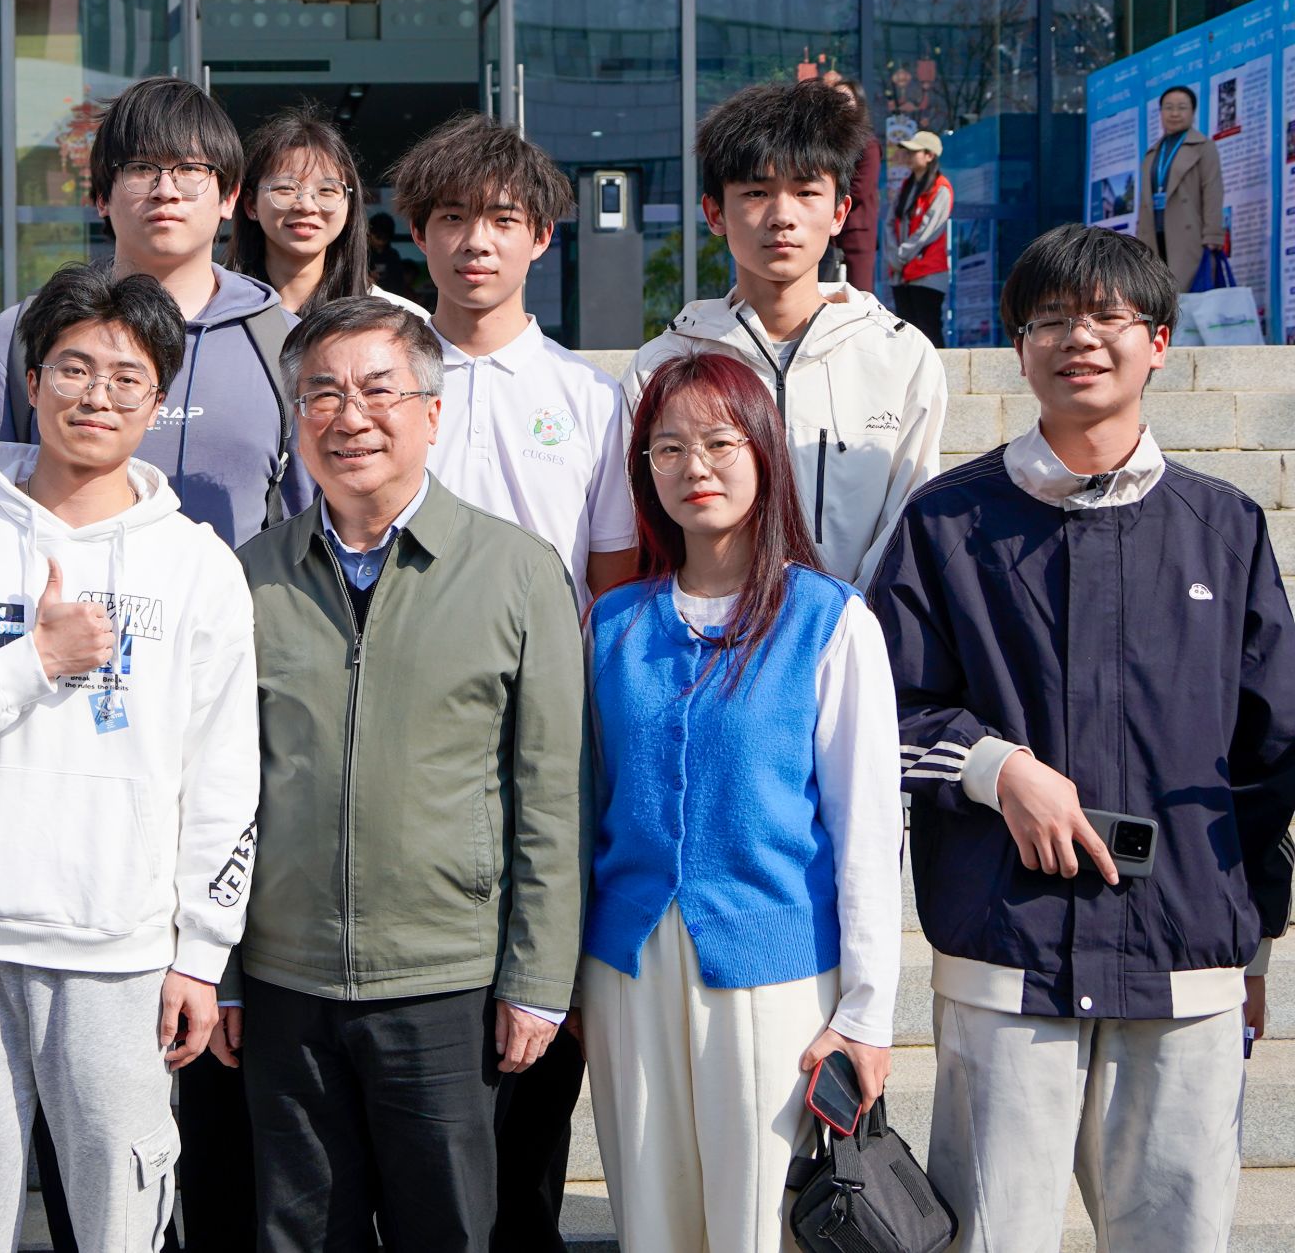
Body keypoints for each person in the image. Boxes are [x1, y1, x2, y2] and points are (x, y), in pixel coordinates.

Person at [869, 224, 1295, 1252]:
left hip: (1182, 953)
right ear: (1018, 348)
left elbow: (1269, 750)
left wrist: (1252, 944)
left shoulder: (1223, 528)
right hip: (1006, 951)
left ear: (1159, 344)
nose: (1079, 338)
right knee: (993, 1236)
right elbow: (879, 714)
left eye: (1108, 316)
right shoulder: (946, 524)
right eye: (1051, 319)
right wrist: (997, 768)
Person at [0, 262, 259, 1250]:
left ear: (157, 402)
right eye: (73, 368)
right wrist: (30, 661)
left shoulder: (196, 563)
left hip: (120, 951)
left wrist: (202, 953)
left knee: (121, 1216)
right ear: (31, 381)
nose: (96, 395)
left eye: (126, 377)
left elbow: (224, 772)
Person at [231, 295, 586, 1253]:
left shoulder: (517, 571)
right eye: (322, 394)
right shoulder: (251, 577)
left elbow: (553, 792)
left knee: (452, 1230)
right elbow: (218, 792)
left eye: (379, 390)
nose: (350, 416)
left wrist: (538, 975)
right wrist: (221, 967)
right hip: (286, 975)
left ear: (432, 411)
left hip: (448, 979)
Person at [584, 351, 901, 1252]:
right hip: (625, 970)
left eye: (721, 442)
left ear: (764, 450)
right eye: (669, 447)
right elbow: (586, 802)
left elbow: (868, 832)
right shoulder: (612, 622)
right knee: (650, 1223)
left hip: (775, 971)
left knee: (756, 1224)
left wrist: (866, 1011)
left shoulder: (831, 620)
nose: (696, 466)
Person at [381, 110, 626, 1249]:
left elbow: (610, 584)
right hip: (400, 735)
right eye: (449, 218)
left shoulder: (587, 398)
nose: (474, 241)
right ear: (416, 236)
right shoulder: (378, 387)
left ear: (541, 237)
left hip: (540, 739)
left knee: (533, 1080)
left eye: (501, 219)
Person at [0, 75, 310, 549]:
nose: (166, 190)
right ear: (102, 196)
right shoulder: (20, 336)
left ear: (228, 197)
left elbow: (313, 524)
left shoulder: (287, 343)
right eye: (141, 168)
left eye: (191, 169)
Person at [624, 79, 947, 590]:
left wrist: (846, 620)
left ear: (839, 212)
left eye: (806, 192)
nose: (782, 217)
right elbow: (639, 521)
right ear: (715, 213)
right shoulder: (663, 363)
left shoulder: (900, 356)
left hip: (854, 627)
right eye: (756, 193)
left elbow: (909, 523)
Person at [227, 104, 425, 319]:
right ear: (251, 204)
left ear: (349, 208)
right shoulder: (213, 313)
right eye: (286, 188)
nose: (307, 206)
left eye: (327, 190)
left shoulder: (396, 321)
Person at [1134, 84, 1225, 292]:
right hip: (1154, 234)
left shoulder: (1204, 147)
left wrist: (1213, 234)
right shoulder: (1152, 153)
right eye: (1168, 107)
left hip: (1188, 235)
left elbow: (1212, 190)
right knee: (1156, 292)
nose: (1174, 113)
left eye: (1182, 107)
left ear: (1193, 112)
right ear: (1161, 112)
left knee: (1186, 295)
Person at [887, 130, 952, 345]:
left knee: (928, 330)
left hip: (927, 273)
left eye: (914, 151)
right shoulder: (907, 186)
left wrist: (900, 255)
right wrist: (894, 255)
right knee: (906, 335)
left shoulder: (940, 188)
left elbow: (928, 230)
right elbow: (890, 222)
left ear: (929, 155)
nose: (908, 156)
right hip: (902, 272)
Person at [818, 71, 880, 292]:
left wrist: (823, 201)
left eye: (846, 99)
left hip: (856, 232)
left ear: (859, 104)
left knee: (858, 295)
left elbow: (860, 189)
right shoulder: (825, 143)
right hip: (827, 232)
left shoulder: (868, 144)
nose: (840, 105)